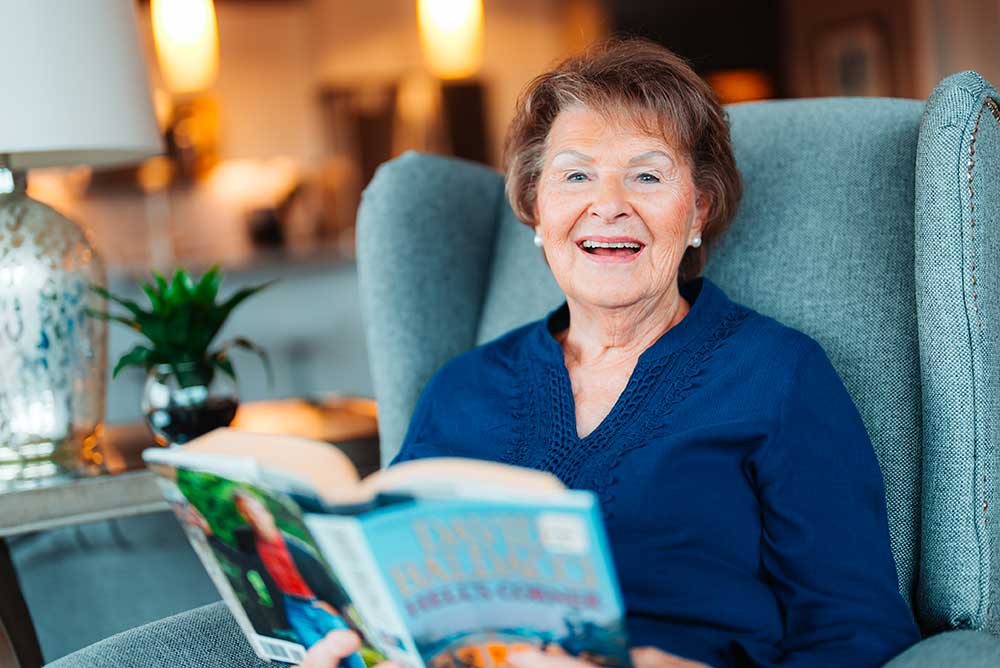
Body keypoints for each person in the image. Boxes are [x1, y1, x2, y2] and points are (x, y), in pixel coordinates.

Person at [297, 38, 920, 668]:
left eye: (647, 175)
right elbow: (384, 592)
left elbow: (859, 634)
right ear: (538, 210)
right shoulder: (463, 387)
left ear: (698, 210)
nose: (610, 204)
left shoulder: (777, 375)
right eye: (575, 175)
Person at [194, 489, 367, 668]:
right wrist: (210, 536)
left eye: (256, 511)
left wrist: (336, 606)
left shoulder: (297, 547)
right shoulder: (252, 544)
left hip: (319, 604)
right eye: (246, 513)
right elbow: (240, 561)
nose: (253, 517)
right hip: (293, 607)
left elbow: (325, 577)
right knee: (318, 653)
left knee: (350, 654)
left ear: (267, 513)